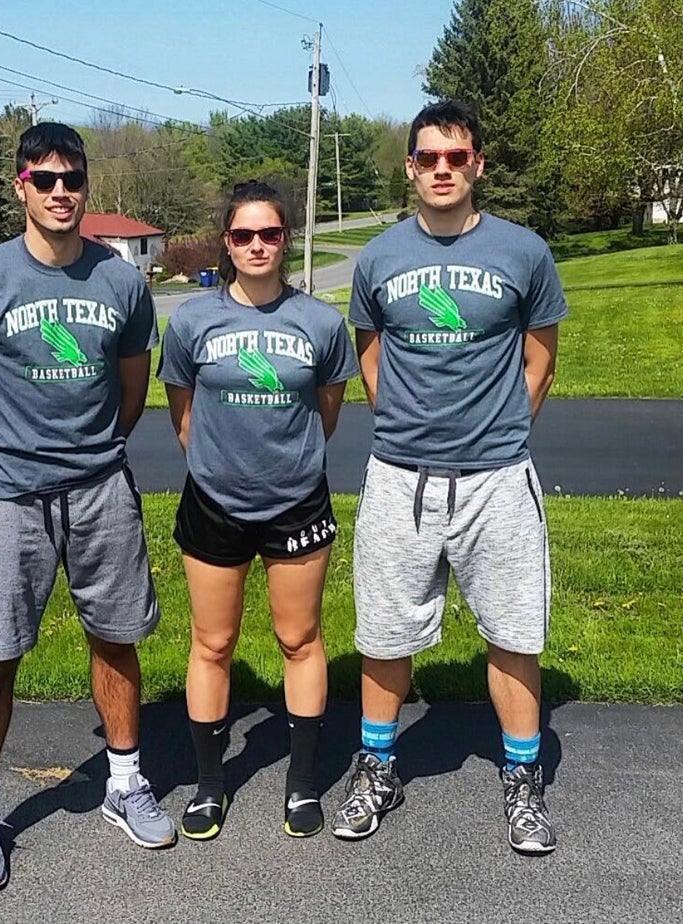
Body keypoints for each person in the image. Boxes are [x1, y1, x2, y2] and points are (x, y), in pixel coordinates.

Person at [0, 122, 176, 892]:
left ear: (86, 187)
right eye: (45, 179)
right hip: (12, 500)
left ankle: (124, 785)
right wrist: (5, 466)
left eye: (72, 179)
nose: (60, 192)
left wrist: (91, 456)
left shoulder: (122, 284)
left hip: (101, 489)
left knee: (117, 637)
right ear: (21, 186)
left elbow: (131, 393)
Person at [332, 100, 567, 854]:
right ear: (410, 166)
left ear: (477, 165)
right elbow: (371, 358)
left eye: (456, 157)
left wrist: (499, 429)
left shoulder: (523, 252)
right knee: (383, 636)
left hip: (499, 479)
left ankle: (523, 784)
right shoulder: (378, 259)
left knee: (514, 635)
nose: (442, 169)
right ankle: (377, 769)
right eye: (429, 157)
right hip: (401, 475)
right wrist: (407, 424)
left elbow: (541, 358)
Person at [157, 180, 358, 840]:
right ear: (226, 241)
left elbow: (325, 411)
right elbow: (182, 413)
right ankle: (212, 786)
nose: (256, 245)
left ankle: (302, 785)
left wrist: (285, 460)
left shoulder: (321, 324)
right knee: (213, 643)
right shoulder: (191, 321)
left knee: (299, 640)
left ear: (285, 238)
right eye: (242, 235)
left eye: (269, 233)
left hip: (297, 502)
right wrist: (220, 462)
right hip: (214, 503)